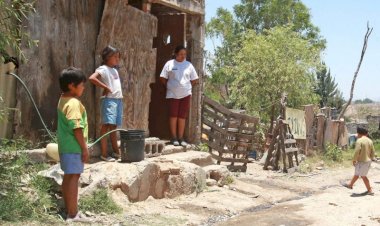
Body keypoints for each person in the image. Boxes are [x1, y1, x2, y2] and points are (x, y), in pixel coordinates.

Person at [57, 67, 91, 222]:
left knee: (68, 177)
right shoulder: (73, 103)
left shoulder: (62, 99)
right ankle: (73, 214)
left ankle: (70, 210)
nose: (83, 87)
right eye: (81, 84)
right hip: (74, 147)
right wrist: (84, 148)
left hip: (65, 147)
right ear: (72, 85)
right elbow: (77, 127)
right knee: (74, 178)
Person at [160, 45, 199, 146]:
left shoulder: (189, 65)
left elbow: (195, 79)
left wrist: (186, 87)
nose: (183, 56)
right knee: (173, 115)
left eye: (184, 54)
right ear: (176, 54)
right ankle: (174, 138)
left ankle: (181, 138)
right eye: (181, 54)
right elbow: (163, 78)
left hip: (185, 94)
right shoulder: (169, 64)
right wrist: (170, 87)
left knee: (182, 116)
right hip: (173, 94)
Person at [89, 45, 123, 162]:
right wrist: (105, 87)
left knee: (113, 127)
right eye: (115, 57)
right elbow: (92, 78)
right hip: (109, 100)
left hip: (118, 99)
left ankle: (116, 152)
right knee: (106, 125)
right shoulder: (103, 69)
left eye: (118, 57)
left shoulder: (114, 69)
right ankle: (104, 154)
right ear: (107, 57)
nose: (117, 59)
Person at [343, 127, 375, 195]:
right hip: (368, 161)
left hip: (362, 161)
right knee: (357, 174)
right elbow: (373, 152)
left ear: (358, 133)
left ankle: (370, 190)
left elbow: (357, 151)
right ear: (366, 134)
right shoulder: (370, 141)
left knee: (363, 176)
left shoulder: (359, 140)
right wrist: (371, 158)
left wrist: (354, 160)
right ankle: (350, 185)